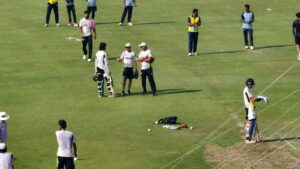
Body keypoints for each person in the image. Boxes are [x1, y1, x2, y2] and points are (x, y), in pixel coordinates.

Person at [243, 78, 269, 144]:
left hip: (249, 107)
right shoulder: (247, 90)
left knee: (249, 122)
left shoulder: (248, 89)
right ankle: (248, 139)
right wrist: (262, 98)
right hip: (250, 108)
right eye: (252, 85)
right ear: (249, 84)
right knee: (252, 123)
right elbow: (253, 99)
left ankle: (247, 137)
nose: (252, 86)